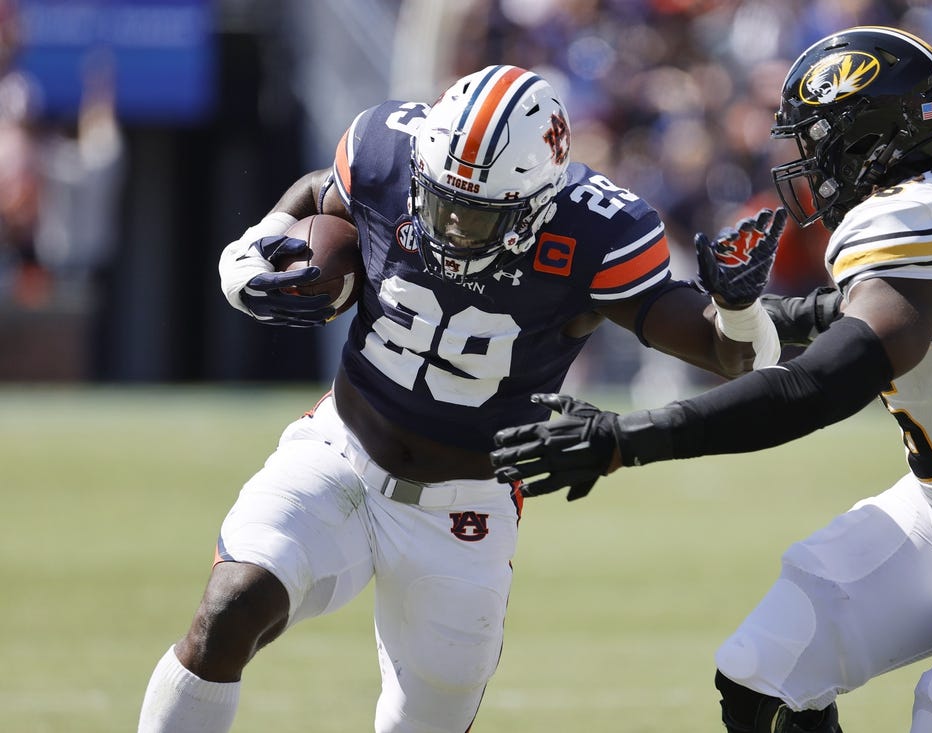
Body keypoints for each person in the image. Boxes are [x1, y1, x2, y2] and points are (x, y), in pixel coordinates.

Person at [136, 64, 838, 732]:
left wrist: (738, 308)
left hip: (464, 508)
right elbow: (322, 190)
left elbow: (728, 354)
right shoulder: (389, 149)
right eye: (438, 199)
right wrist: (249, 249)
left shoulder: (598, 231)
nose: (444, 229)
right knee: (230, 606)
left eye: (471, 216)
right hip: (340, 449)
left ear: (537, 204)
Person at [491, 27, 932, 733]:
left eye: (819, 141)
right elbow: (846, 314)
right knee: (763, 677)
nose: (808, 162)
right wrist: (738, 311)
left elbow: (821, 385)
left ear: (870, 137)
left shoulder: (920, 225)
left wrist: (624, 439)